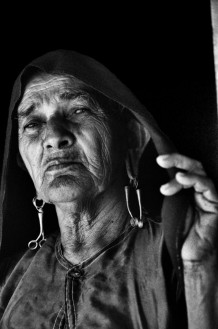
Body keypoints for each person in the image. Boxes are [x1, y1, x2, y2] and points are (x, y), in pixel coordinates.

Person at [0, 49, 217, 329]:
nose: (53, 137)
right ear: (23, 161)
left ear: (134, 139)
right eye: (33, 123)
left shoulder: (175, 254)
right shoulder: (9, 281)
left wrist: (201, 270)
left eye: (79, 110)